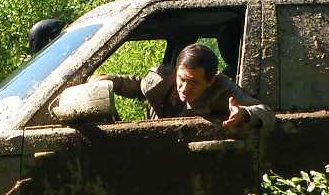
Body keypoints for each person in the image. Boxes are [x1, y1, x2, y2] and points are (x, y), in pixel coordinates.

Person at [107, 42, 272, 132]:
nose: (185, 88)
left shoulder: (222, 89)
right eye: (182, 79)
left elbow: (265, 111)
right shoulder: (160, 79)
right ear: (176, 71)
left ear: (210, 81)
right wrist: (109, 81)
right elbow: (137, 85)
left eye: (194, 83)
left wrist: (244, 114)